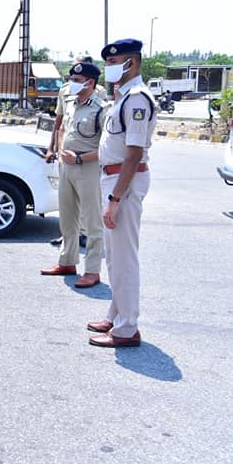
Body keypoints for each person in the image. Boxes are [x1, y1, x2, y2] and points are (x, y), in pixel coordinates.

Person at [87, 38, 157, 348]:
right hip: (114, 181)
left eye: (114, 63)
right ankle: (117, 315)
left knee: (124, 258)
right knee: (114, 256)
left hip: (123, 185)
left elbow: (132, 155)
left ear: (130, 63)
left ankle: (127, 328)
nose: (109, 69)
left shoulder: (137, 99)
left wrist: (115, 200)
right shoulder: (123, 97)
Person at [40, 62, 107, 288]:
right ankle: (67, 261)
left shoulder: (101, 108)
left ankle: (92, 270)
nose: (72, 84)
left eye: (77, 81)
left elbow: (107, 149)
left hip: (87, 167)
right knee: (67, 217)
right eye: (71, 79)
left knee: (92, 220)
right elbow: (61, 129)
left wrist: (79, 158)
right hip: (66, 165)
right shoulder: (70, 102)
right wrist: (59, 151)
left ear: (90, 82)